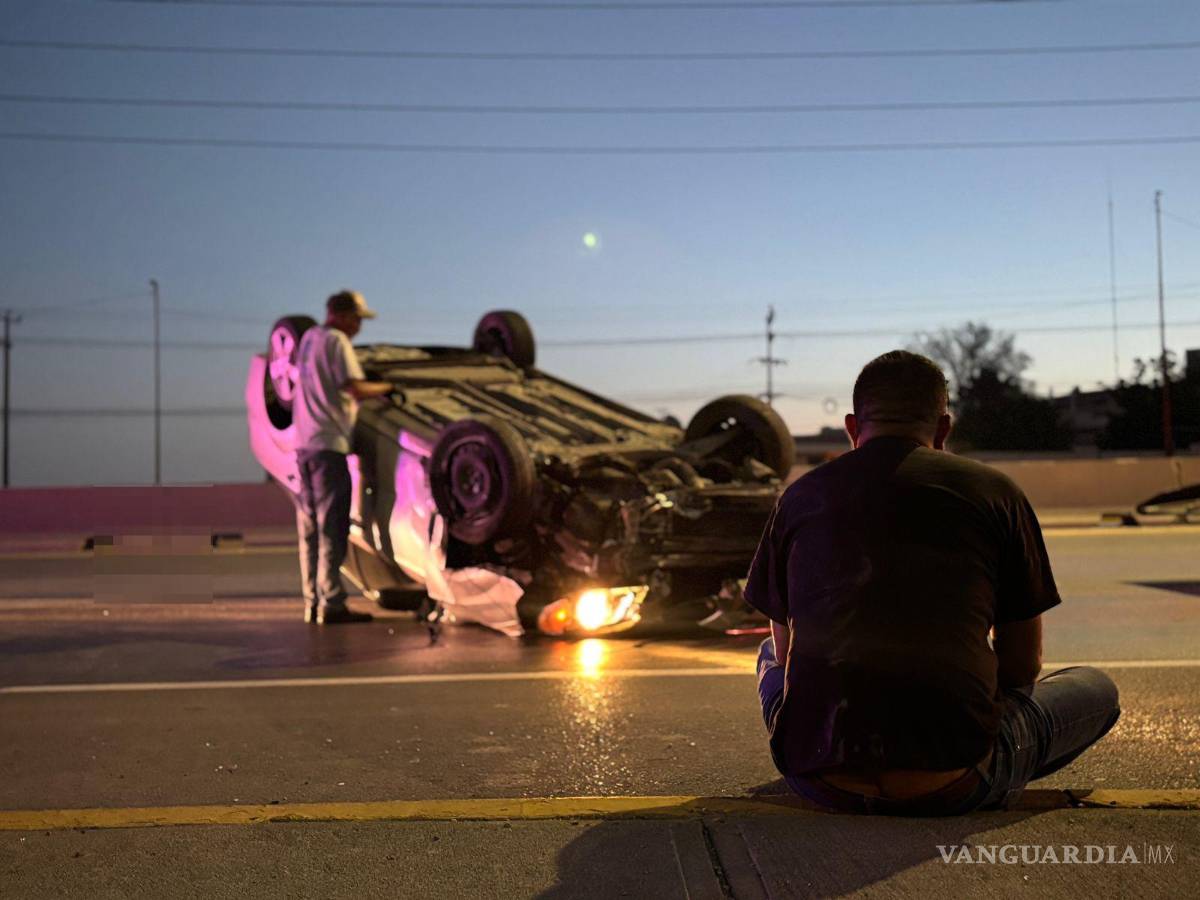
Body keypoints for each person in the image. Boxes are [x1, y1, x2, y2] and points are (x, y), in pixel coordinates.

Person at [747, 350, 1119, 815]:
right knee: (1097, 690)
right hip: (954, 782)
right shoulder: (996, 493)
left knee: (768, 652)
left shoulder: (799, 497)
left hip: (820, 781)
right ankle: (961, 759)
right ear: (944, 429)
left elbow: (788, 657)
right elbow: (1022, 666)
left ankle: (842, 756)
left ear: (852, 428)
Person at [292, 290, 392, 624]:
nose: (359, 327)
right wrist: (386, 388)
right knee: (332, 526)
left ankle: (312, 602)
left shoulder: (309, 339)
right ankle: (332, 603)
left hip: (304, 446)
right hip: (329, 446)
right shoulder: (336, 341)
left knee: (310, 530)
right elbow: (353, 387)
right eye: (357, 319)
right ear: (342, 316)